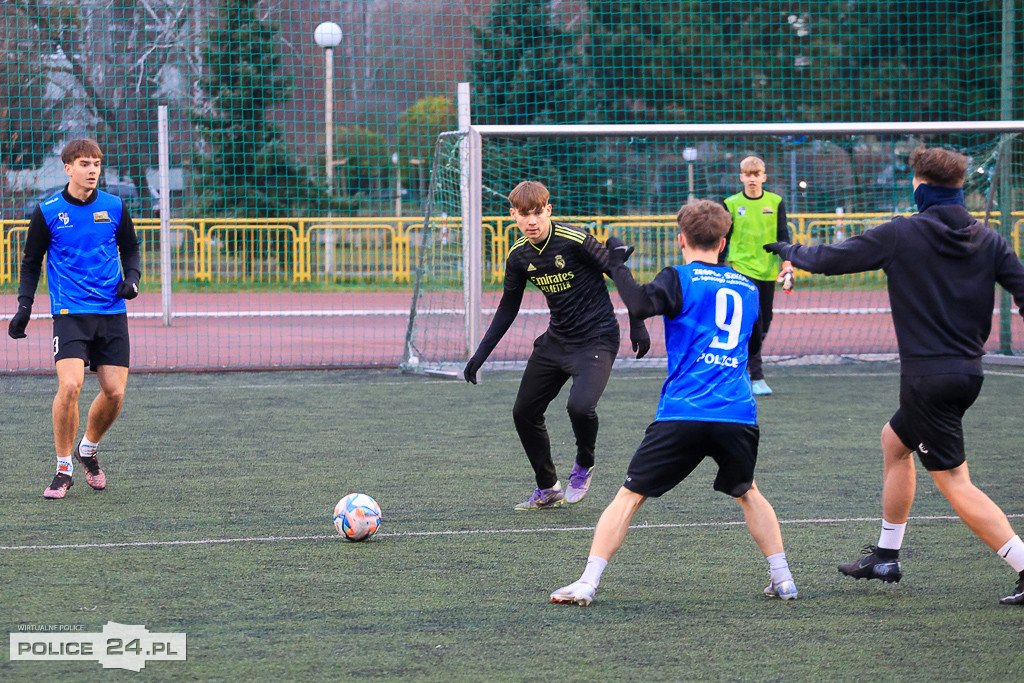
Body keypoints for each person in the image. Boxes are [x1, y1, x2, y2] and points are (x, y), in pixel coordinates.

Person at [764, 145, 1024, 606]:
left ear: (919, 185)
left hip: (927, 380)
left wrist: (788, 250)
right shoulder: (991, 239)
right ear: (960, 188)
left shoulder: (903, 233)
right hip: (968, 376)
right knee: (894, 441)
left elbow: (828, 259)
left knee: (955, 482)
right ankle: (885, 555)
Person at [550, 199, 797, 606]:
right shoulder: (749, 287)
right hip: (735, 412)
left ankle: (587, 582)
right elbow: (750, 346)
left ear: (680, 239)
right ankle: (783, 578)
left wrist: (616, 266)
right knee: (748, 491)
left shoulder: (678, 277)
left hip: (684, 411)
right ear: (723, 243)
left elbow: (640, 304)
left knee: (629, 496)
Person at [463, 180, 650, 510]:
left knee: (579, 407)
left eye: (537, 213)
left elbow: (617, 270)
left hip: (597, 338)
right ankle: (547, 487)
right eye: (524, 215)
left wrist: (637, 322)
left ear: (548, 210)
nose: (531, 221)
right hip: (557, 340)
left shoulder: (575, 240)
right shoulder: (518, 255)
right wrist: (480, 354)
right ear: (513, 216)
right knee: (524, 412)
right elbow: (508, 306)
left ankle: (584, 463)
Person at [8, 138, 141, 499]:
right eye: (84, 164)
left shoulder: (115, 206)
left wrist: (132, 278)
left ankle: (88, 448)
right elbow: (31, 262)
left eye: (97, 163)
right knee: (70, 386)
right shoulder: (48, 209)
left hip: (112, 312)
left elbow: (130, 248)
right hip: (69, 313)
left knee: (114, 392)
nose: (92, 170)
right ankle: (63, 467)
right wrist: (24, 306)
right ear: (68, 168)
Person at [722, 156, 793, 396]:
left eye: (757, 174)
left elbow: (783, 235)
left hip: (767, 270)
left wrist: (787, 265)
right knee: (754, 320)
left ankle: (741, 363)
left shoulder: (775, 202)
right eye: (748, 174)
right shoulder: (730, 204)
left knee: (766, 320)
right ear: (741, 177)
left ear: (764, 176)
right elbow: (724, 238)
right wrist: (719, 267)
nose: (752, 179)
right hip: (740, 270)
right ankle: (757, 376)